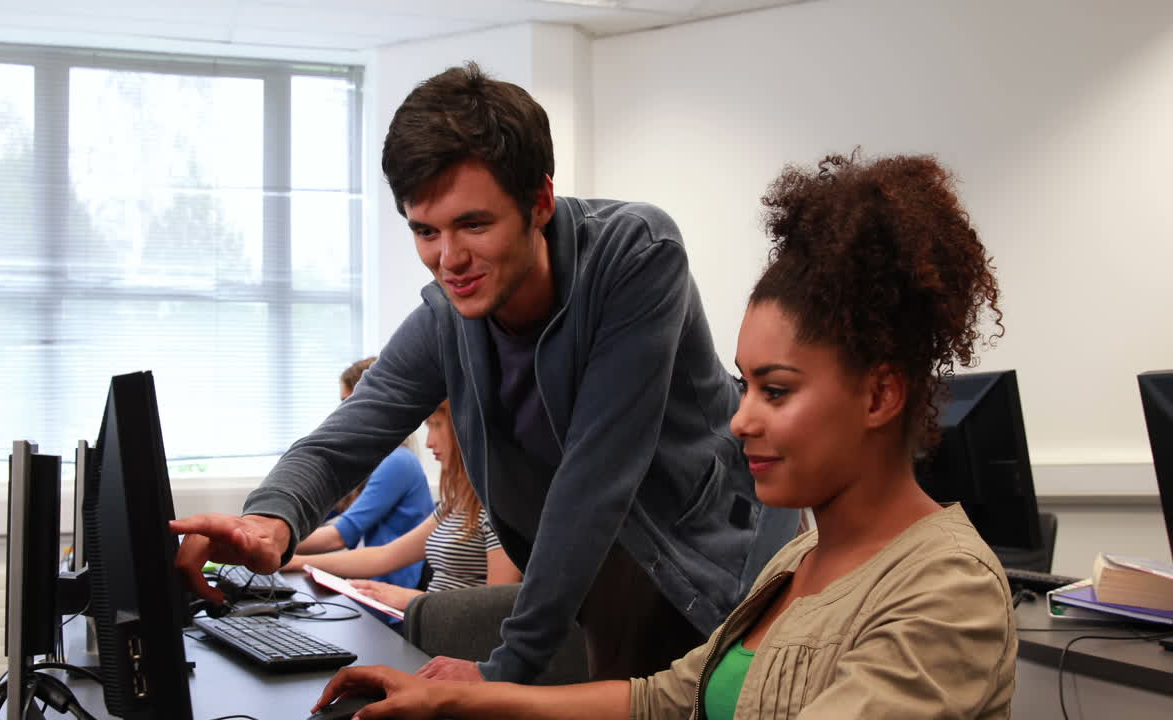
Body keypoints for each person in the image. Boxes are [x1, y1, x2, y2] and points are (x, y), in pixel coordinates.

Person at [310, 151, 1018, 719]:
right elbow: (663, 699)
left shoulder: (944, 587)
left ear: (880, 396)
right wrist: (463, 698)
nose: (739, 420)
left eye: (775, 391)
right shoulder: (794, 563)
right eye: (744, 386)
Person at [170, 62, 799, 685]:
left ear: (540, 202)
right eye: (425, 231)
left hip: (714, 555)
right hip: (603, 573)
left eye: (473, 224)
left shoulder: (634, 255)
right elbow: (344, 438)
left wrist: (506, 669)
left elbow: (595, 478)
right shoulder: (447, 318)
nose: (450, 260)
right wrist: (269, 519)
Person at [284, 401, 521, 612]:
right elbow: (384, 556)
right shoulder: (456, 504)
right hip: (431, 625)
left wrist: (413, 600)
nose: (429, 442)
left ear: (466, 433)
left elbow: (494, 609)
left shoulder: (498, 509)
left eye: (437, 426)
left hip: (450, 634)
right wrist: (299, 562)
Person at [291, 357, 435, 591]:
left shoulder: (398, 461)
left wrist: (275, 545)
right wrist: (272, 529)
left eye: (350, 402)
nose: (343, 412)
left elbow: (339, 536)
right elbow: (315, 511)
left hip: (389, 587)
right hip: (369, 581)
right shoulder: (365, 460)